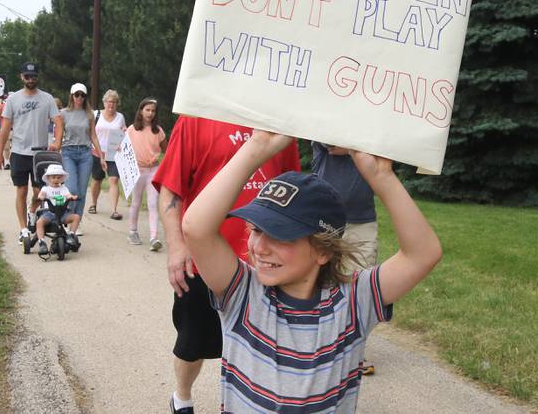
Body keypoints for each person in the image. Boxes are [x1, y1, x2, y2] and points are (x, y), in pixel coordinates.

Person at [180, 130, 443, 414]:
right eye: (256, 229)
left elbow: (422, 254)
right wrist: (255, 148)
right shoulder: (243, 293)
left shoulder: (353, 302)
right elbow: (196, 229)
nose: (260, 247)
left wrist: (382, 176)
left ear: (323, 251)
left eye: (281, 235)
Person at [152, 117, 300, 414]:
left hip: (264, 261)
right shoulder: (196, 118)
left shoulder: (279, 121)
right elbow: (170, 189)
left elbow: (291, 190)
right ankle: (182, 396)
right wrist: (177, 246)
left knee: (264, 346)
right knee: (192, 342)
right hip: (204, 257)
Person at [312, 141, 378, 375]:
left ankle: (355, 351)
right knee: (322, 284)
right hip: (323, 218)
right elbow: (329, 142)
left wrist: (351, 149)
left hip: (362, 220)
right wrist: (358, 148)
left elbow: (384, 148)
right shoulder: (333, 112)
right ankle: (318, 345)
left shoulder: (374, 121)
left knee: (362, 285)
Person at [0, 62, 62, 245]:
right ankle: (23, 229)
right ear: (21, 77)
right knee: (21, 190)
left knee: (40, 192)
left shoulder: (47, 98)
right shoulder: (13, 99)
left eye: (33, 77)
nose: (30, 80)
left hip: (40, 153)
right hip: (19, 152)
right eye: (27, 76)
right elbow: (5, 128)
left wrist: (57, 142)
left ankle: (32, 211)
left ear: (37, 78)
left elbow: (58, 121)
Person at [60, 83, 105, 237]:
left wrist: (101, 156)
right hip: (68, 152)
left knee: (81, 191)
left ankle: (76, 223)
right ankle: (68, 218)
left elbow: (93, 135)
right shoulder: (63, 113)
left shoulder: (90, 114)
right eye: (77, 94)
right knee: (71, 188)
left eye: (82, 95)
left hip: (85, 153)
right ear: (71, 96)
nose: (79, 98)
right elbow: (58, 135)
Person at [125, 98, 167, 251]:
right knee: (136, 201)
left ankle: (154, 237)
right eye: (147, 110)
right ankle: (133, 231)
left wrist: (160, 161)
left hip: (153, 171)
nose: (150, 113)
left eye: (153, 111)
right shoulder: (131, 129)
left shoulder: (158, 131)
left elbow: (166, 150)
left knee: (152, 203)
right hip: (137, 170)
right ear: (141, 111)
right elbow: (123, 148)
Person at [88, 89, 126, 219]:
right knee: (97, 179)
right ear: (104, 102)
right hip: (97, 152)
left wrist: (124, 136)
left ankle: (114, 210)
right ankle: (93, 204)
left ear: (117, 104)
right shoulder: (96, 114)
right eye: (109, 102)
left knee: (114, 179)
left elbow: (123, 132)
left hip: (113, 153)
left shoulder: (120, 117)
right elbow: (89, 132)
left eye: (114, 102)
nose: (111, 105)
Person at [35, 163, 80, 256]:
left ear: (62, 179)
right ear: (48, 178)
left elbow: (68, 195)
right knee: (40, 222)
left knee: (76, 217)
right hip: (49, 213)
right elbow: (41, 194)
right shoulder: (46, 188)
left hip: (62, 213)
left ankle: (71, 235)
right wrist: (42, 197)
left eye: (59, 177)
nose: (56, 180)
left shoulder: (64, 189)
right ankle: (42, 243)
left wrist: (72, 197)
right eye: (54, 177)